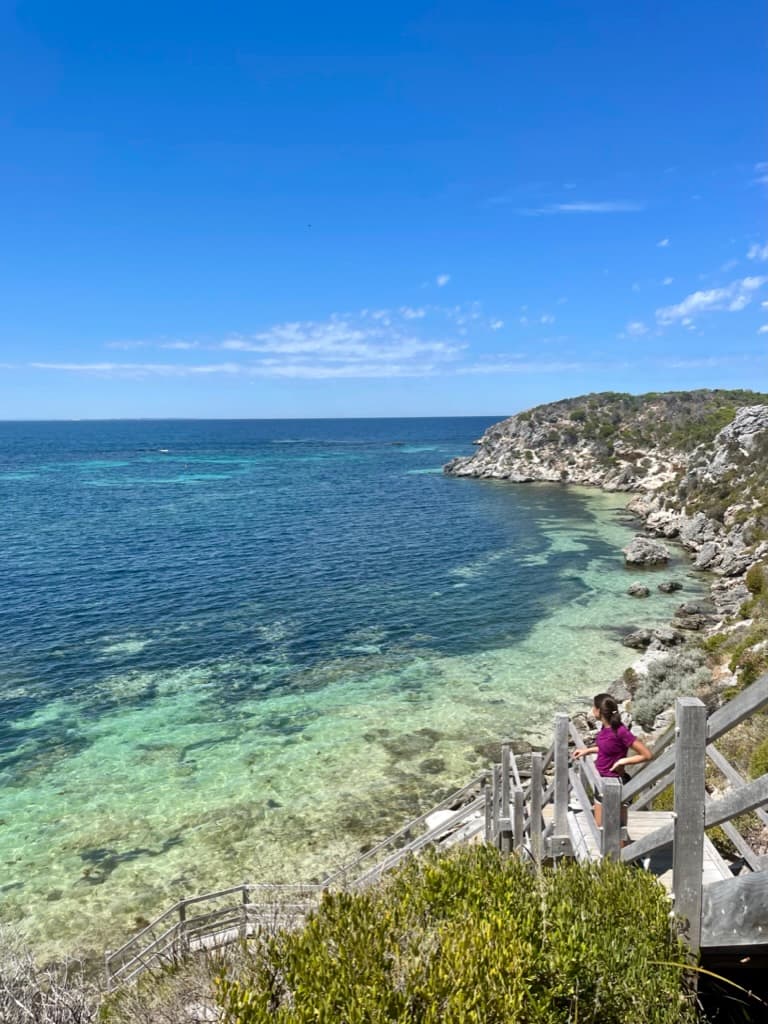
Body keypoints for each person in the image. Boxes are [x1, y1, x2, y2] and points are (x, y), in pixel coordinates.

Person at [572, 692, 652, 831]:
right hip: (601, 782)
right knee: (600, 828)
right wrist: (588, 751)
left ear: (598, 711)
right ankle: (606, 853)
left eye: (593, 707)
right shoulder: (605, 728)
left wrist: (622, 761)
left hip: (617, 784)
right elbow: (607, 749)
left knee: (616, 831)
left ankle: (622, 853)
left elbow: (646, 754)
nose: (591, 710)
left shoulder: (621, 731)